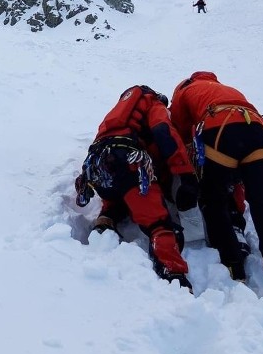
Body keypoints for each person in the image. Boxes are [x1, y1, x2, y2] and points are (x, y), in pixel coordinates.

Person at [167, 71, 263, 317]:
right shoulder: (226, 89)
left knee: (214, 201)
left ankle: (233, 264)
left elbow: (180, 133)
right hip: (257, 133)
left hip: (219, 131)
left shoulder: (185, 90)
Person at [75, 85, 201, 289]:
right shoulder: (152, 103)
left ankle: (106, 220)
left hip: (98, 167)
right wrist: (186, 174)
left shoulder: (119, 112)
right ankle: (173, 272)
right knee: (157, 220)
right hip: (130, 163)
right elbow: (164, 132)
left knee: (118, 197)